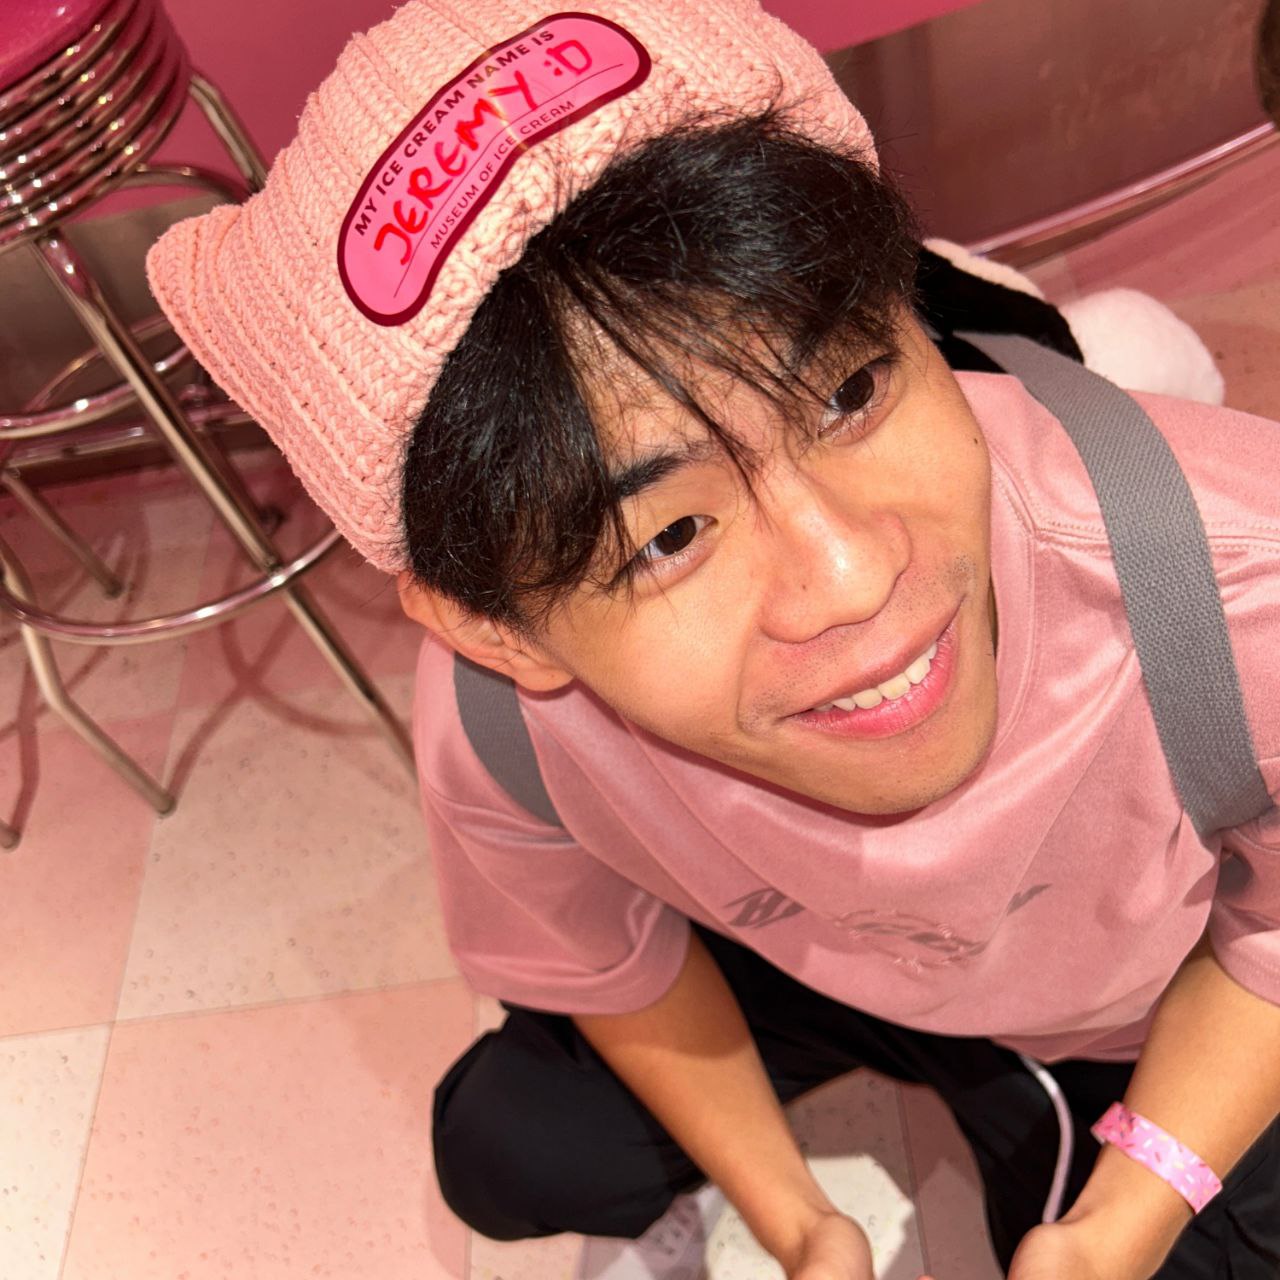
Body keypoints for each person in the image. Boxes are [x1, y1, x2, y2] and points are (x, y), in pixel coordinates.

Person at [145, 2, 1280, 1277]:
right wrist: (798, 1224)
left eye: (850, 388)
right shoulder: (504, 723)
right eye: (668, 535)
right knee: (511, 1140)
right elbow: (608, 957)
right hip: (814, 954)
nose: (850, 577)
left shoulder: (1235, 575)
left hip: (1127, 999)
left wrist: (1124, 1215)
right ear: (496, 628)